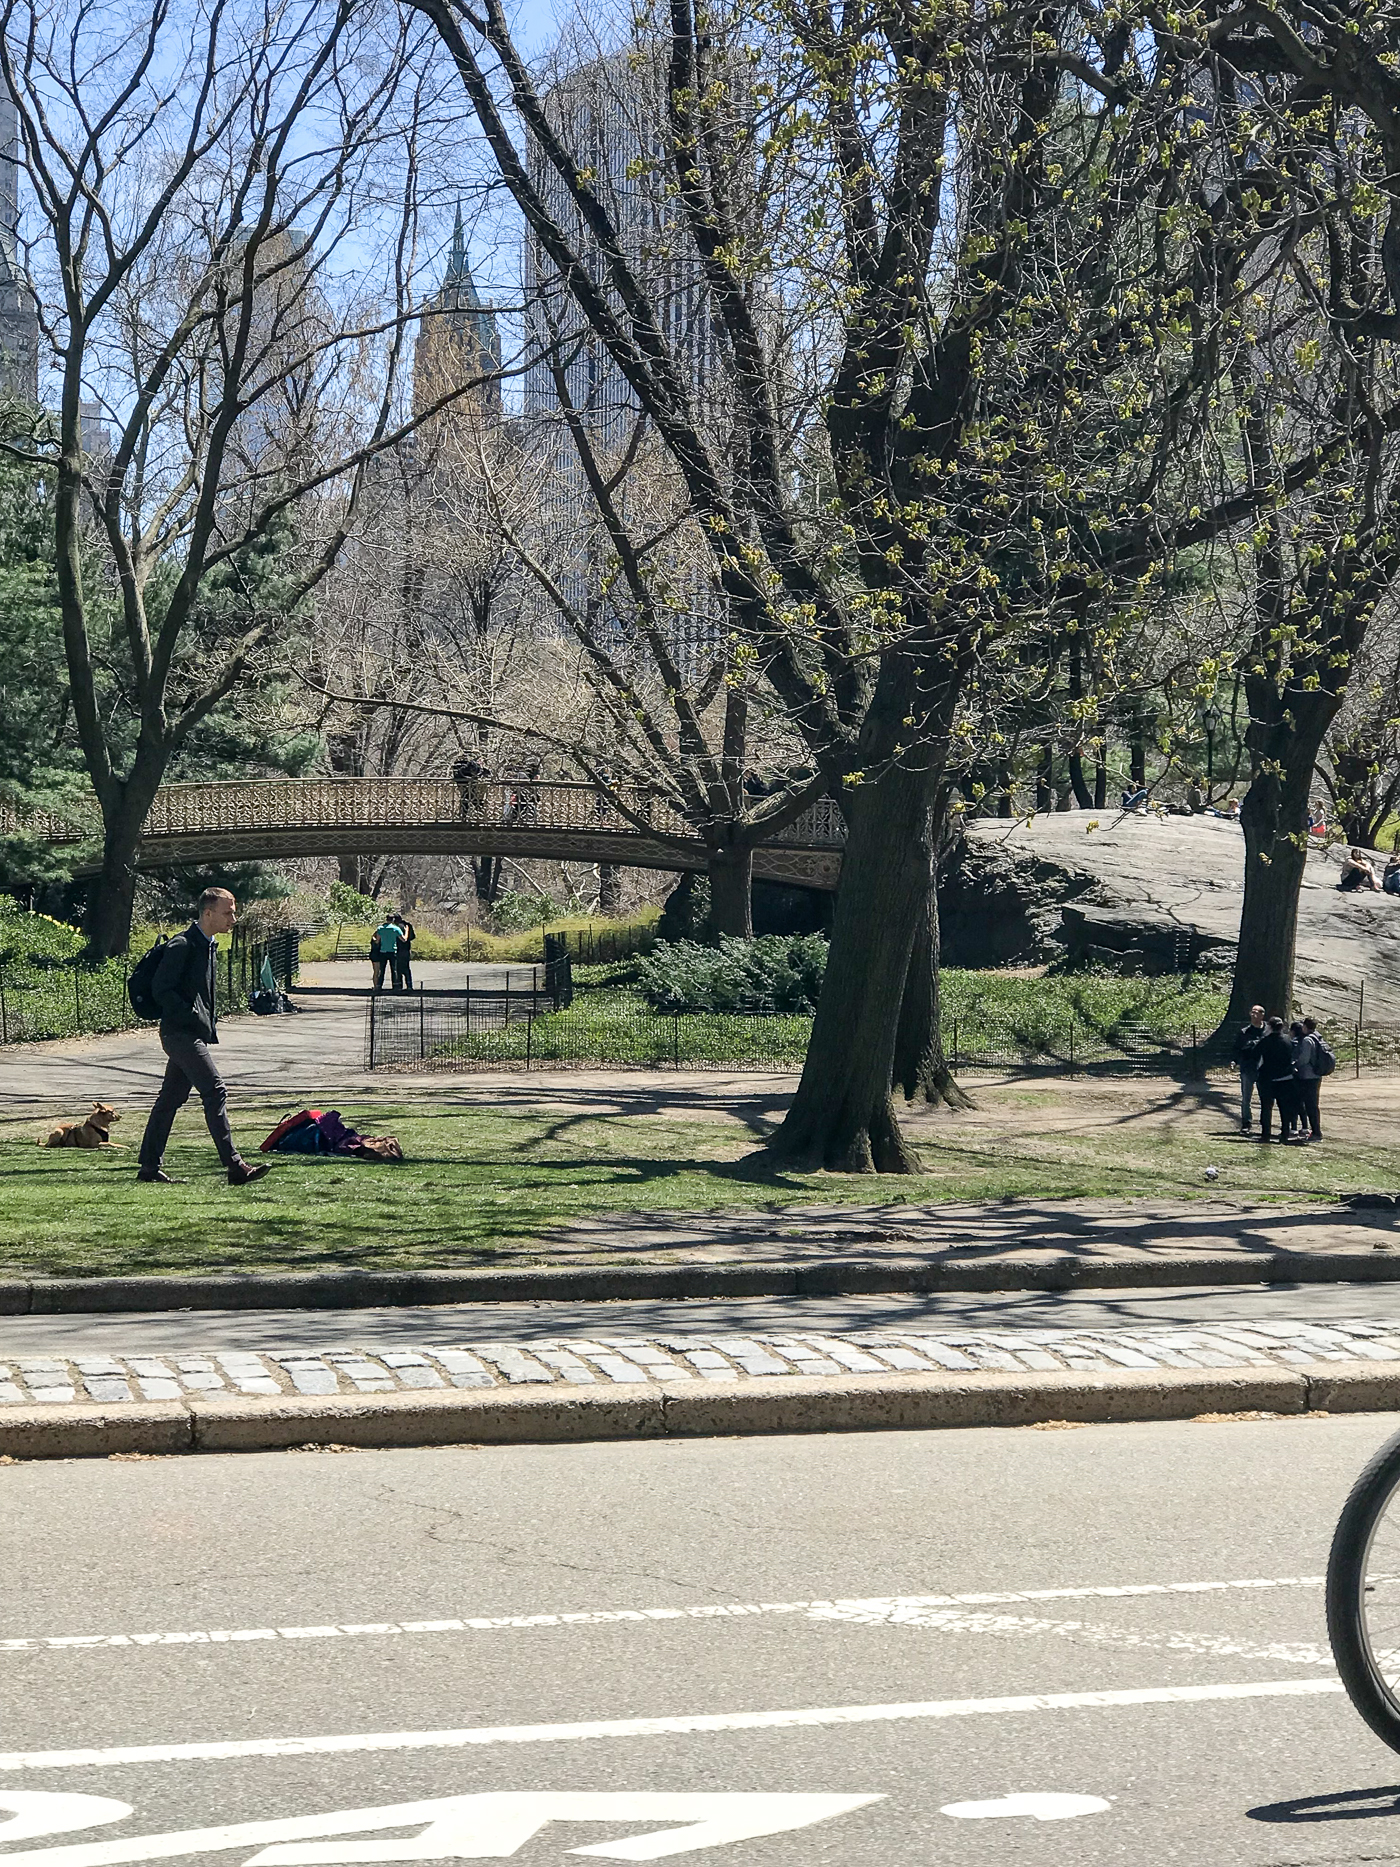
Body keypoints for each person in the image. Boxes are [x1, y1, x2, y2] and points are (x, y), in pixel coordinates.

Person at [137, 887, 272, 1187]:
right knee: (215, 1090)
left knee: (170, 1099)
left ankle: (148, 1167)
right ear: (207, 913)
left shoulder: (207, 945)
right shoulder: (183, 945)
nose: (233, 918)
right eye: (228, 912)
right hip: (180, 1033)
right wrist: (190, 1015)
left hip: (189, 1032)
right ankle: (235, 1166)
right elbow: (162, 989)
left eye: (233, 912)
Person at [1256, 1014, 1300, 1143]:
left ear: (1269, 1027)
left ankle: (1266, 1134)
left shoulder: (1265, 1041)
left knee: (1266, 1108)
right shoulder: (1288, 1041)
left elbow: (1254, 1054)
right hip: (1285, 1078)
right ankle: (1285, 1133)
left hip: (1267, 1079)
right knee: (1284, 1108)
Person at [1230, 1004, 1267, 1133]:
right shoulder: (1244, 1032)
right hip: (1248, 1068)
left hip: (1264, 1069)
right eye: (1252, 1012)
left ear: (1262, 1015)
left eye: (1257, 1012)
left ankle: (1265, 1124)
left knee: (1265, 1098)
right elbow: (1237, 1049)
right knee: (1246, 1098)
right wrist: (1235, 1061)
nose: (1253, 1015)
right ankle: (1246, 1123)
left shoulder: (1268, 1031)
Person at [1293, 1017, 1324, 1143]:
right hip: (1317, 1075)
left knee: (1310, 1106)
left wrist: (1294, 1064)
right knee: (1314, 1105)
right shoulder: (1318, 1037)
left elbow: (1304, 1059)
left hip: (1308, 1076)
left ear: (1305, 1027)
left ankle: (1316, 1132)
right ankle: (1315, 1130)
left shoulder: (1307, 1040)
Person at [451, 750, 487, 820]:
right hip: (467, 783)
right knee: (469, 797)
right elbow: (475, 770)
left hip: (462, 783)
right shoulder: (470, 763)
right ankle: (478, 810)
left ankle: (465, 814)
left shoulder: (459, 762)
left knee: (467, 797)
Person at [373, 914, 404, 990]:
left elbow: (377, 941)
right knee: (394, 969)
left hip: (383, 951)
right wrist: (406, 932)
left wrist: (373, 938)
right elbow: (403, 939)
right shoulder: (395, 929)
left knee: (382, 969)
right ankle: (395, 985)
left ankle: (379, 985)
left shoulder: (380, 928)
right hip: (393, 951)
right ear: (393, 920)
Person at [392, 913, 416, 991]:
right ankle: (409, 985)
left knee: (398, 969)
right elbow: (412, 937)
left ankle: (399, 985)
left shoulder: (394, 927)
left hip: (397, 949)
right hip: (406, 949)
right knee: (406, 968)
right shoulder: (407, 925)